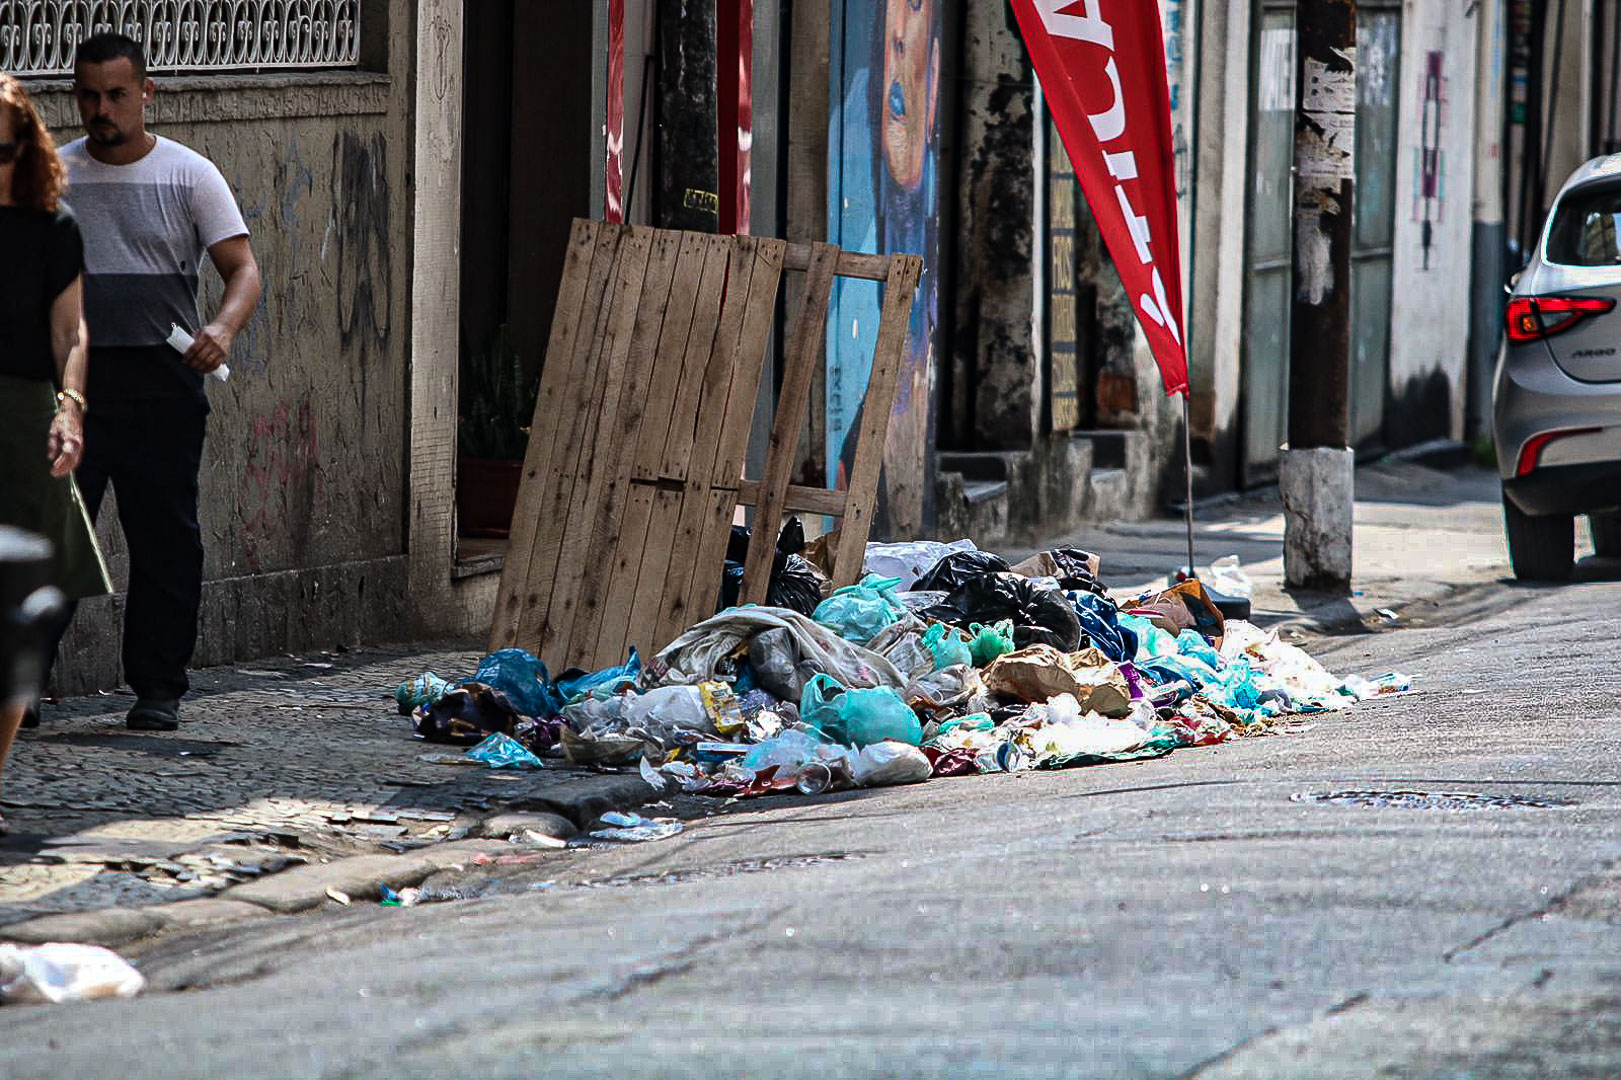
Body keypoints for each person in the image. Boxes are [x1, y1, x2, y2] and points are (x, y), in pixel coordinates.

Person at [55, 33, 262, 731]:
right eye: (89, 96)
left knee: (165, 540)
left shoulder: (189, 175)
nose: (102, 110)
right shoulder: (55, 175)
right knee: (53, 538)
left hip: (161, 383)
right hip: (73, 385)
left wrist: (222, 329)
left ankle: (158, 690)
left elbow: (243, 269)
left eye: (116, 95)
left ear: (147, 94)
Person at [0, 74, 111, 833]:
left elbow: (72, 332)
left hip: (23, 417)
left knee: (16, 614)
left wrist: (70, 409)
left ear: (27, 149)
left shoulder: (52, 227)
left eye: (1, 150)